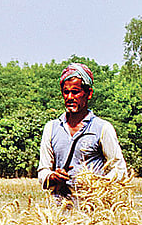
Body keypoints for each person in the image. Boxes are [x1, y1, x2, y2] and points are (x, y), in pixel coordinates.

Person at [37, 62, 127, 200]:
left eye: (75, 92)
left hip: (94, 212)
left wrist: (98, 185)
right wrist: (52, 177)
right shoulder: (51, 128)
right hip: (59, 214)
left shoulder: (102, 128)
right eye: (66, 92)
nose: (70, 97)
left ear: (89, 93)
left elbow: (119, 170)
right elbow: (43, 172)